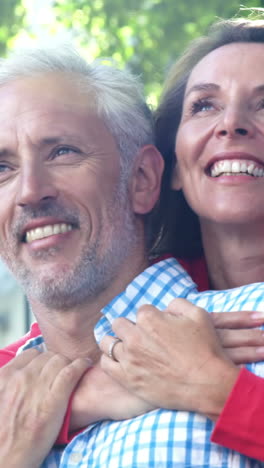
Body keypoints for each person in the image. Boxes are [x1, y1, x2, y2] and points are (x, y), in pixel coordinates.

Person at [1, 38, 264, 468]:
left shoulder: (247, 330)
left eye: (63, 151)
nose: (30, 190)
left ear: (143, 178)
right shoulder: (11, 387)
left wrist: (219, 390)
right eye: (1, 168)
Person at [99, 17, 264, 462]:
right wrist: (82, 399)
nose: (232, 124)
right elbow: (25, 366)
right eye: (205, 106)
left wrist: (211, 386)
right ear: (171, 165)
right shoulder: (141, 292)